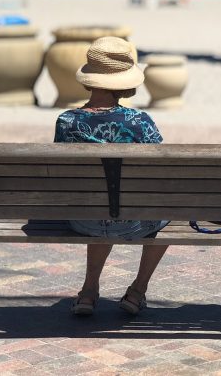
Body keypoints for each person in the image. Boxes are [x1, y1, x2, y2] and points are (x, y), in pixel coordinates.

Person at [54, 36, 168, 316]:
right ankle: (138, 290)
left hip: (82, 221)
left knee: (98, 199)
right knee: (170, 209)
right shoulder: (140, 123)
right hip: (132, 223)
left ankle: (89, 292)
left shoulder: (66, 121)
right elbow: (160, 169)